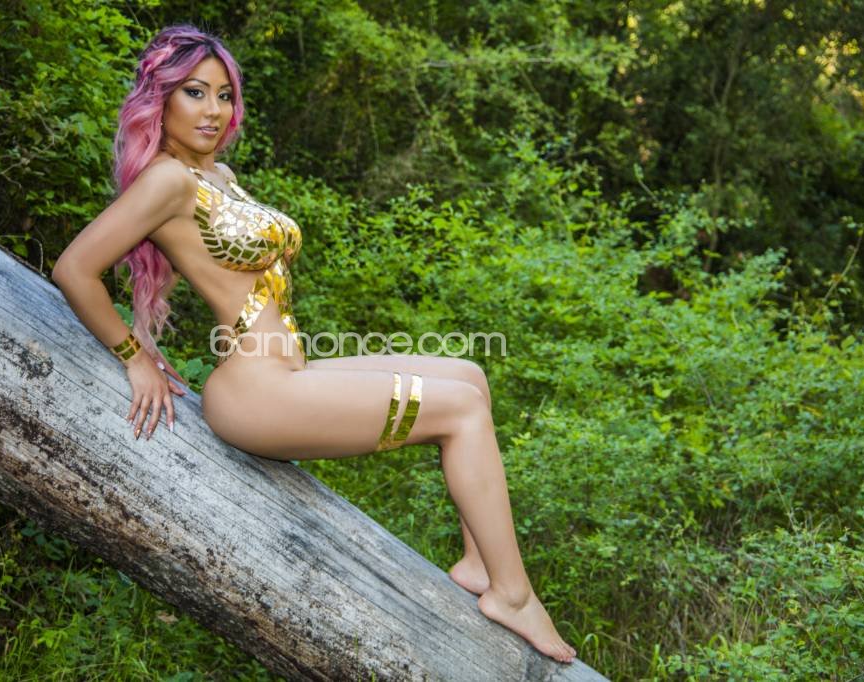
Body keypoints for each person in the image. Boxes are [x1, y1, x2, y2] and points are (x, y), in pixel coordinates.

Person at [51, 24, 576, 664]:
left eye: (223, 95)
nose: (213, 110)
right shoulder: (167, 183)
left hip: (288, 373)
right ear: (160, 98)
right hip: (253, 393)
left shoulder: (215, 174)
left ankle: (478, 564)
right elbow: (74, 268)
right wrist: (135, 359)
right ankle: (513, 596)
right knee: (460, 412)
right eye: (194, 92)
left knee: (469, 377)